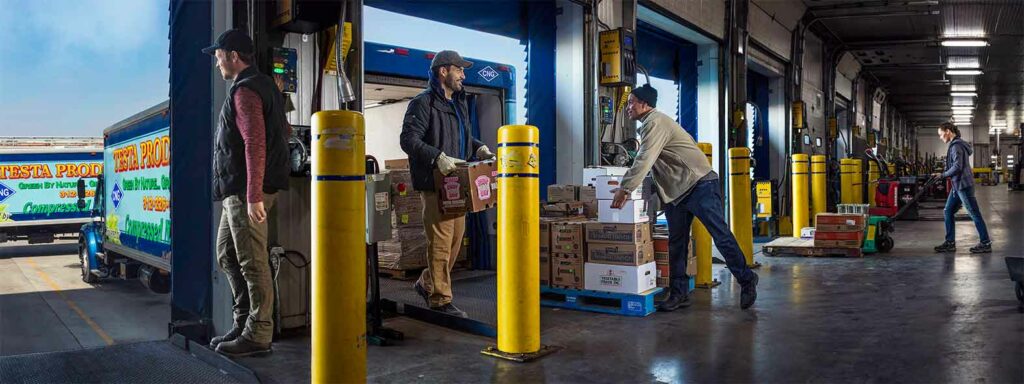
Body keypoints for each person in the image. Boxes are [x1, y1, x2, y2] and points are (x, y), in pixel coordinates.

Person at [611, 84, 759, 311]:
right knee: (677, 244)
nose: (628, 107)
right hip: (677, 192)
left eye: (631, 102)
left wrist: (625, 189)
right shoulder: (649, 126)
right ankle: (679, 293)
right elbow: (653, 164)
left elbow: (644, 159)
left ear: (644, 104)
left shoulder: (656, 122)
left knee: (720, 235)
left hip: (700, 184)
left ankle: (747, 280)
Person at [203, 29, 291, 356]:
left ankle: (258, 333)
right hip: (238, 192)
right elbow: (281, 131)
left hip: (245, 193)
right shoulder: (264, 85)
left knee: (252, 262)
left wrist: (254, 194)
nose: (216, 63)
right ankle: (243, 321)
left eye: (218, 56)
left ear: (233, 56)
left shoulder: (245, 92)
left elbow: (255, 143)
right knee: (227, 255)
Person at [400, 50, 495, 318]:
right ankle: (440, 299)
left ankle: (427, 283)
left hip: (456, 186)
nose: (464, 75)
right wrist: (437, 157)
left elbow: (463, 136)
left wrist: (479, 148)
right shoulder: (423, 103)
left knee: (454, 242)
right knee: (440, 243)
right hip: (435, 184)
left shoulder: (458, 103)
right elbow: (408, 140)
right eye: (459, 70)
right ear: (443, 71)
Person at [933, 122, 991, 253]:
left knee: (974, 213)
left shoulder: (956, 146)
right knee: (948, 211)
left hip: (963, 185)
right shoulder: (957, 145)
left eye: (941, 134)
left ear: (947, 131)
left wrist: (942, 175)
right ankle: (950, 242)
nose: (940, 137)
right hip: (957, 185)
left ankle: (985, 242)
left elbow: (957, 167)